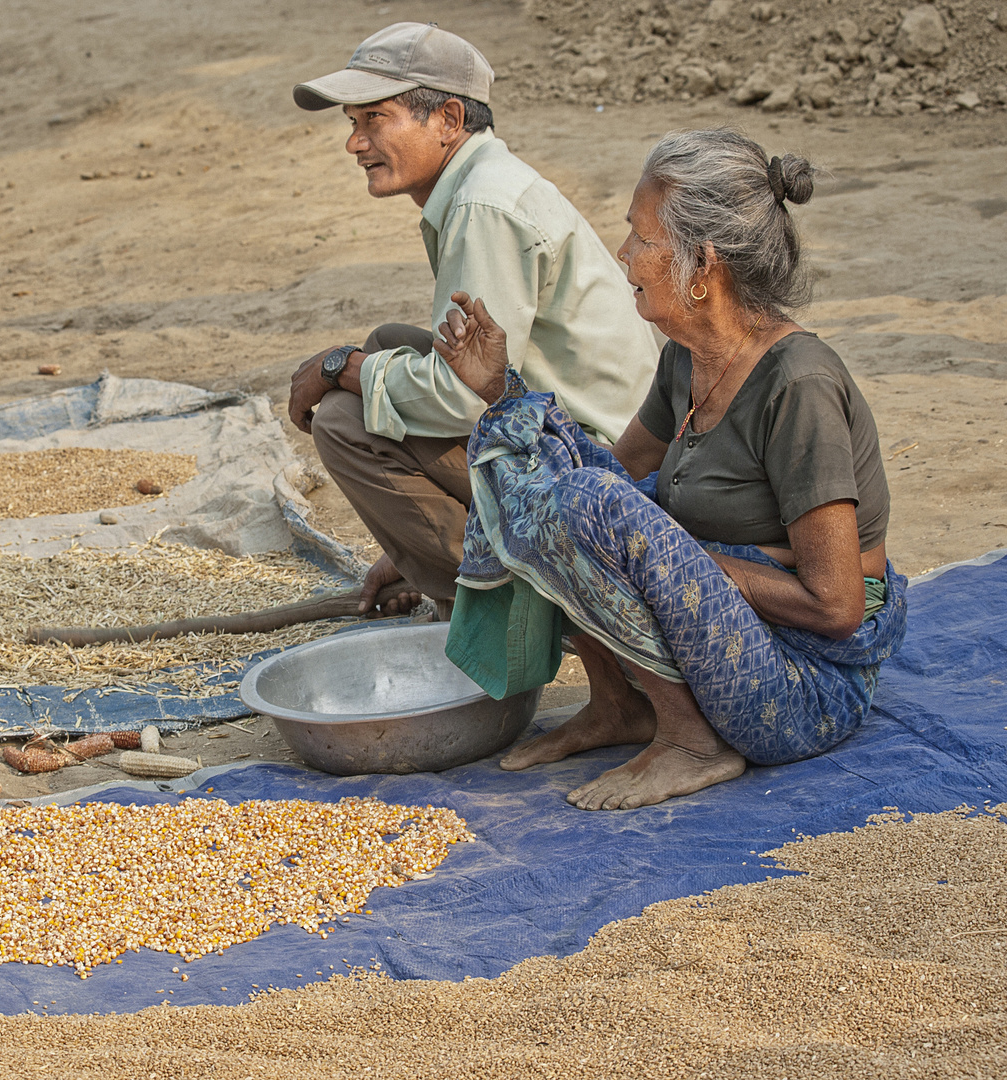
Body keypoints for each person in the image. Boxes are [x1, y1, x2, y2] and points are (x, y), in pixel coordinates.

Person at [435, 128, 906, 809]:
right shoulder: (686, 358)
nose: (624, 256)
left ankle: (694, 742)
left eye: (641, 239)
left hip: (803, 684)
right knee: (531, 461)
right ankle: (619, 708)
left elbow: (836, 606)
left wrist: (689, 562)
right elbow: (594, 473)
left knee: (590, 506)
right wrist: (502, 392)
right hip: (720, 643)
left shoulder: (798, 385)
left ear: (703, 265)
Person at [286, 22, 658, 619]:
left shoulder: (485, 205)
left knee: (341, 420)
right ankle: (454, 562)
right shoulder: (478, 187)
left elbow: (464, 396)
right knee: (389, 346)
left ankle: (507, 606)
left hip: (605, 470)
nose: (354, 143)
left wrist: (339, 368)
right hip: (571, 432)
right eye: (352, 123)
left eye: (374, 119)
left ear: (449, 121)